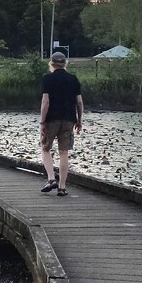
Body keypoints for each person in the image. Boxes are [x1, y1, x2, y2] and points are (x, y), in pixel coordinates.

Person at [38, 52, 83, 197]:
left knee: (45, 149)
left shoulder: (48, 79)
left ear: (51, 63)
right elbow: (80, 102)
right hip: (69, 119)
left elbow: (46, 101)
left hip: (52, 119)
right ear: (65, 63)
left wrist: (42, 122)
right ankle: (62, 187)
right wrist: (79, 120)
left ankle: (51, 179)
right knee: (64, 153)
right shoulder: (73, 79)